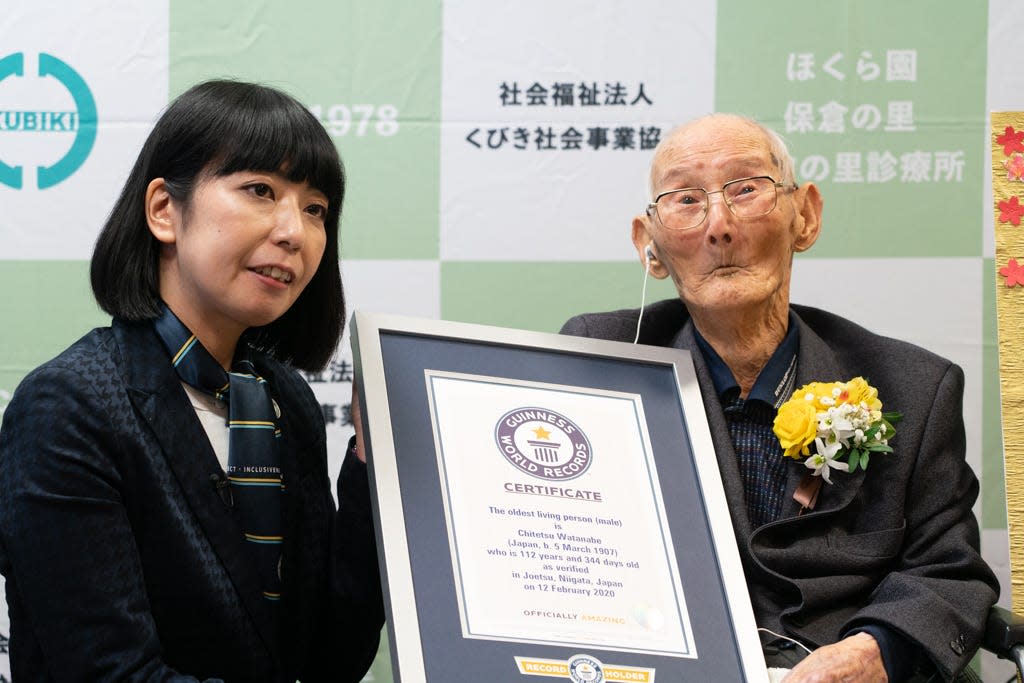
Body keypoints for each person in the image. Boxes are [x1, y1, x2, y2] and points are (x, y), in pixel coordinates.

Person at [561, 114, 998, 682]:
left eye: (745, 189)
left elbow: (950, 571)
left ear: (806, 216)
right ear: (651, 248)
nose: (719, 225)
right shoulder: (602, 359)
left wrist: (874, 652)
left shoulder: (912, 386)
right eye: (687, 200)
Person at [0, 80, 384, 682]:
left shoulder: (286, 401)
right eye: (261, 190)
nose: (294, 232)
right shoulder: (70, 406)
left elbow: (329, 657)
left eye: (315, 208)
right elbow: (111, 674)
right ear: (163, 211)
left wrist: (369, 462)